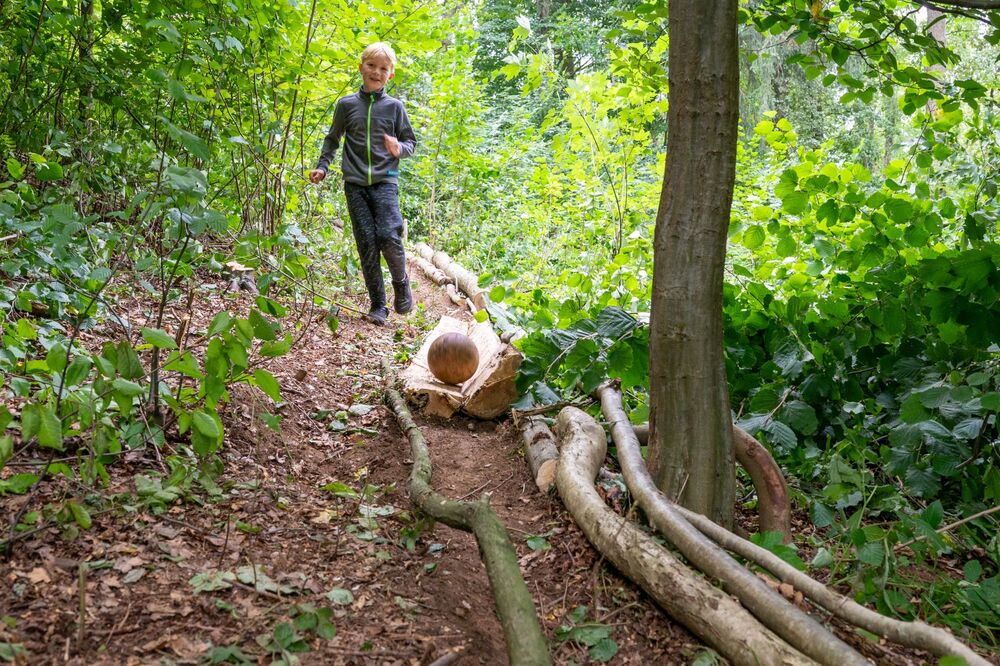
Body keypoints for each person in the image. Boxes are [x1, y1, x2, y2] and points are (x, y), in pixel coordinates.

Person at [309, 42, 416, 325]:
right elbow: (333, 139)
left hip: (385, 181)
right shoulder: (346, 105)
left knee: (389, 235)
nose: (376, 72)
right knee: (367, 242)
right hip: (355, 184)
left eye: (383, 68)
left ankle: (401, 283)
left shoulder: (395, 107)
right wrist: (322, 167)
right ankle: (378, 304)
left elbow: (410, 142)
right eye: (371, 66)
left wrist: (399, 149)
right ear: (361, 68)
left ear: (390, 74)